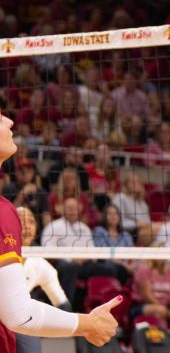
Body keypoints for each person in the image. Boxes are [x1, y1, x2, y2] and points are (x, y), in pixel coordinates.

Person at [0, 112, 121, 348]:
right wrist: (89, 324)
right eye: (0, 118)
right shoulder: (3, 211)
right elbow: (19, 315)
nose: (10, 121)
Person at [13, 207, 70, 353]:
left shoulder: (40, 264)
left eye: (31, 221)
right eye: (21, 220)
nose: (26, 225)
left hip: (19, 318)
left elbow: (62, 305)